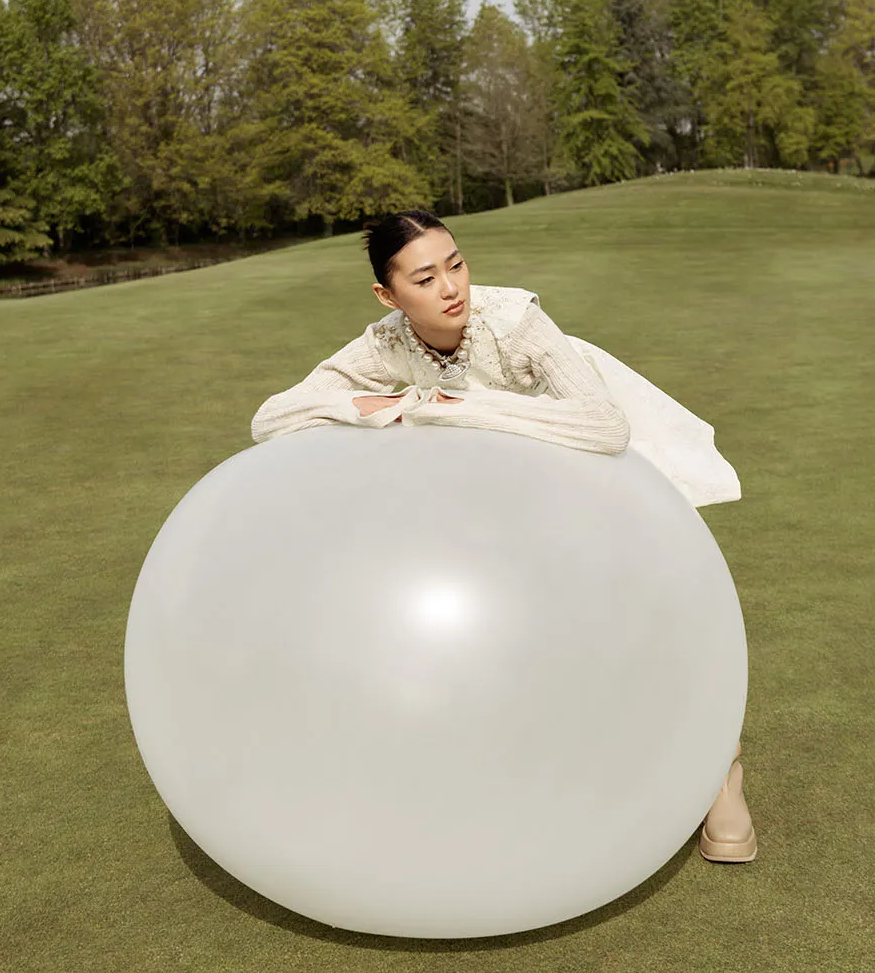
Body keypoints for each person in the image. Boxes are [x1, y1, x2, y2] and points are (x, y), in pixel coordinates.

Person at [250, 208, 757, 864]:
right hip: (515, 505)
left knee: (648, 619)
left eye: (456, 264)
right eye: (426, 278)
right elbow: (271, 417)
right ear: (388, 294)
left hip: (602, 477)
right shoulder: (387, 342)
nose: (452, 288)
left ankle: (720, 769)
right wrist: (375, 406)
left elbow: (606, 427)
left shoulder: (513, 321)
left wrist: (467, 408)